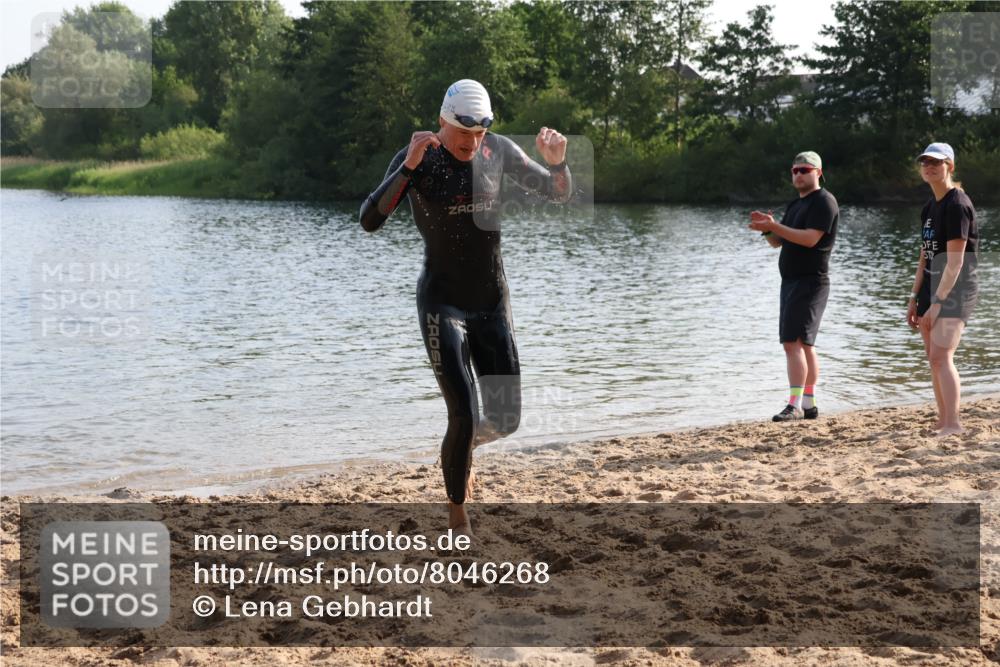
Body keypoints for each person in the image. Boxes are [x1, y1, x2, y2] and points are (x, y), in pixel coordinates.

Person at [359, 79, 572, 532]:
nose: (472, 143)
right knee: (462, 411)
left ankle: (463, 447)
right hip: (443, 303)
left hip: (492, 302)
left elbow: (556, 192)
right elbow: (370, 220)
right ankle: (458, 512)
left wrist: (559, 164)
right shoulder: (419, 156)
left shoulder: (498, 152)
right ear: (443, 122)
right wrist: (409, 169)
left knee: (506, 419)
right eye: (463, 134)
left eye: (478, 135)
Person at [749, 151, 839, 422]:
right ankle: (809, 404)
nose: (799, 174)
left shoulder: (825, 201)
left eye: (805, 170)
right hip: (790, 282)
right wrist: (767, 229)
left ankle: (794, 404)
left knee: (793, 343)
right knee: (804, 344)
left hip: (811, 281)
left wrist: (777, 226)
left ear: (818, 173)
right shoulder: (795, 204)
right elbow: (779, 242)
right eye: (795, 170)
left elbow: (811, 239)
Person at [907, 142, 978, 436]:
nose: (929, 166)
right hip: (930, 289)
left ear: (950, 165)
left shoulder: (957, 204)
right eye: (925, 162)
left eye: (936, 162)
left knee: (941, 356)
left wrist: (938, 302)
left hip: (954, 290)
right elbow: (925, 254)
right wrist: (914, 298)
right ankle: (942, 419)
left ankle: (953, 424)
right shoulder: (929, 206)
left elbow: (956, 263)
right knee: (933, 358)